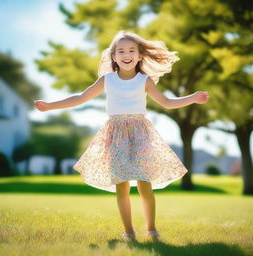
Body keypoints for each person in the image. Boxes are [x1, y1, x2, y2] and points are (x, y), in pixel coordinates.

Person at [34, 30, 209, 242]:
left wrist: (193, 97)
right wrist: (50, 106)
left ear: (139, 55)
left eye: (132, 50)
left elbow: (167, 103)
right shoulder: (107, 79)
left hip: (141, 133)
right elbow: (80, 98)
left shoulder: (145, 80)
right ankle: (129, 231)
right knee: (122, 184)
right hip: (115, 134)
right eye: (121, 51)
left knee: (145, 182)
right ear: (114, 57)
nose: (127, 54)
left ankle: (152, 229)